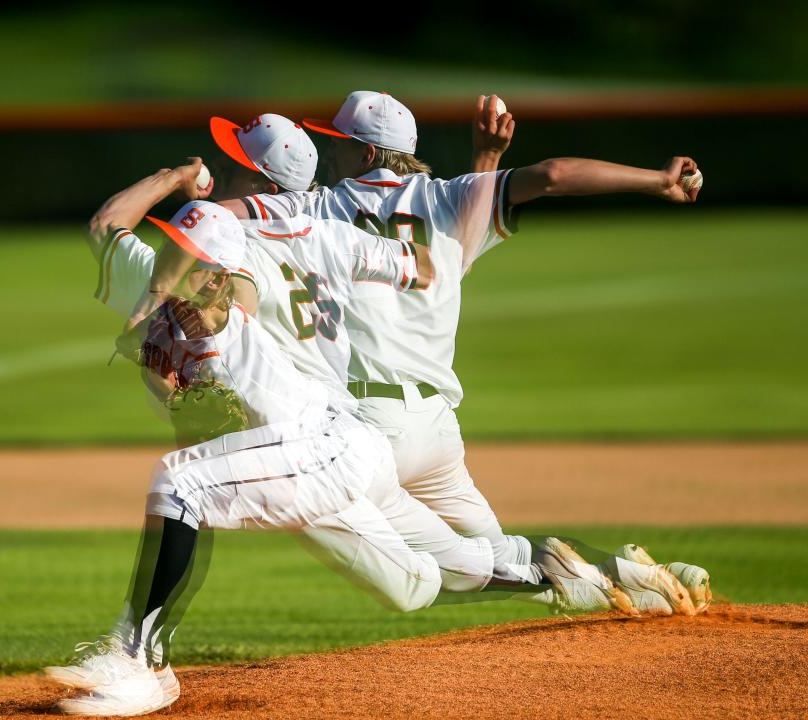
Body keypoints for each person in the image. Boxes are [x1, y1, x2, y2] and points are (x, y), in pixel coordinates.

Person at [215, 90, 711, 615]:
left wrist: (190, 187)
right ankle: (635, 576)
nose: (328, 154)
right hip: (437, 429)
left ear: (365, 155)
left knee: (424, 571)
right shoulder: (453, 197)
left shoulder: (316, 207)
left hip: (367, 424)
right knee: (499, 555)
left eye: (338, 144)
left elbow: (220, 215)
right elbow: (554, 174)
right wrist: (658, 181)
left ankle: (567, 579)